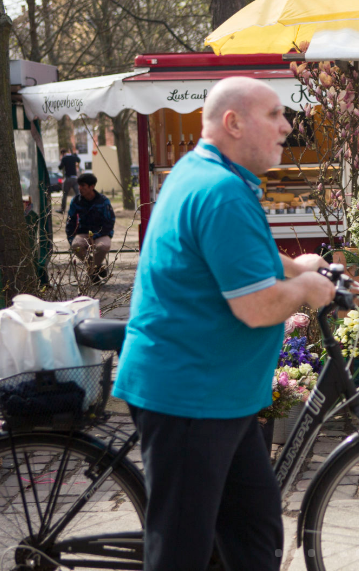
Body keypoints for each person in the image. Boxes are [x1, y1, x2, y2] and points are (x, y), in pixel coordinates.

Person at [113, 77, 336, 570]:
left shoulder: (203, 173)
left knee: (254, 537)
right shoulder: (220, 190)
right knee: (183, 554)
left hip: (221, 398)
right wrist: (305, 291)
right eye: (275, 114)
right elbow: (255, 306)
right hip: (192, 397)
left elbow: (238, 254)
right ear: (233, 123)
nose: (287, 126)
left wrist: (294, 268)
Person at [65, 173, 115, 284]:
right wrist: (71, 237)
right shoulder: (76, 201)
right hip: (83, 233)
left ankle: (92, 272)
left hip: (101, 233)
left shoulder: (103, 201)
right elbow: (70, 221)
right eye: (79, 185)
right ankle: (96, 268)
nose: (80, 188)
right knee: (76, 246)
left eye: (83, 185)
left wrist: (96, 236)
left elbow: (110, 221)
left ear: (92, 187)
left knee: (103, 246)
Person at [59, 148, 81, 213]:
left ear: (62, 153)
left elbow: (60, 167)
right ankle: (81, 207)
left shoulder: (64, 158)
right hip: (74, 178)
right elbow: (79, 160)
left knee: (65, 194)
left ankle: (62, 209)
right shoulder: (73, 157)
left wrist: (62, 160)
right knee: (78, 193)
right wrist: (75, 155)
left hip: (68, 178)